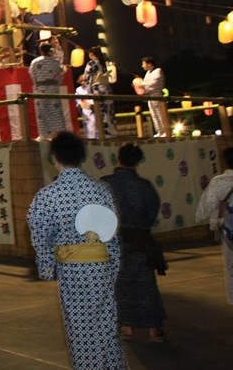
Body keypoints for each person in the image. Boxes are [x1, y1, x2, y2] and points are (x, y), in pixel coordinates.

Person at [26, 132, 126, 369]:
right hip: (100, 267)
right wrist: (113, 265)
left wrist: (47, 267)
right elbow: (112, 232)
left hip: (72, 271)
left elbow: (39, 233)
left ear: (54, 158)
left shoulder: (47, 195)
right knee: (106, 323)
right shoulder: (101, 190)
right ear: (81, 157)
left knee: (80, 326)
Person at [102, 143, 166, 341]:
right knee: (146, 284)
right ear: (138, 162)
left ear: (118, 159)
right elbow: (151, 213)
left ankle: (127, 326)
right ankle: (154, 329)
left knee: (120, 284)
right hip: (140, 240)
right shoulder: (145, 186)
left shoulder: (105, 184)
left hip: (114, 240)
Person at [195, 145, 233, 305]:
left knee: (230, 264)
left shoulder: (219, 182)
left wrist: (200, 217)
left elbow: (207, 205)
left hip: (228, 228)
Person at [29, 42, 67, 140]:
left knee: (42, 113)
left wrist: (38, 84)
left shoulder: (35, 62)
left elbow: (33, 75)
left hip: (41, 89)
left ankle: (44, 135)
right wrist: (56, 83)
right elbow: (60, 76)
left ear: (40, 50)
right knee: (56, 112)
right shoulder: (56, 62)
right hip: (53, 89)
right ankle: (59, 135)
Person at [84, 46, 117, 137]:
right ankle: (112, 131)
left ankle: (104, 133)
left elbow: (86, 77)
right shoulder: (105, 64)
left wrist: (89, 89)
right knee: (109, 111)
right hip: (107, 89)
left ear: (91, 54)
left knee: (101, 112)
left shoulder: (91, 64)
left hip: (97, 90)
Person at [141, 56, 166, 137]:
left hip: (157, 95)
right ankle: (159, 131)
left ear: (149, 64)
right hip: (149, 96)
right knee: (154, 115)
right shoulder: (147, 73)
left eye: (143, 64)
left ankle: (165, 131)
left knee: (159, 113)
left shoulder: (158, 71)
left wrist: (141, 84)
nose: (142, 65)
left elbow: (153, 83)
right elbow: (145, 85)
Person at [74, 73, 97, 139]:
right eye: (81, 81)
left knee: (94, 125)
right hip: (85, 110)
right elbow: (78, 102)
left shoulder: (92, 88)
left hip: (94, 108)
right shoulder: (78, 90)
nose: (83, 82)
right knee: (87, 127)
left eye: (84, 80)